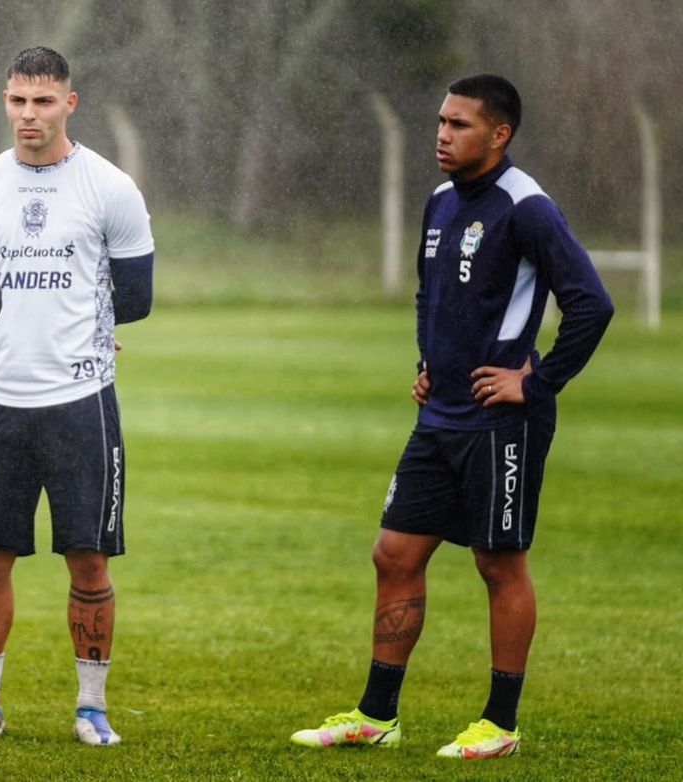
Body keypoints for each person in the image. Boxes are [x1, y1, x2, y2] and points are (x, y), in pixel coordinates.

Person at [290, 74, 613, 759]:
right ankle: (377, 716)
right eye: (440, 121)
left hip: (501, 424)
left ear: (500, 135)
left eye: (460, 124)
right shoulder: (439, 203)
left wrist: (539, 381)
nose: (442, 134)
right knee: (394, 554)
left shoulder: (526, 207)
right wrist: (425, 364)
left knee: (499, 564)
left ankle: (500, 724)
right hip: (439, 417)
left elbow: (591, 303)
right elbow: (427, 295)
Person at [0, 47, 155, 748]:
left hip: (81, 402)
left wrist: (93, 330)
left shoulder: (109, 188)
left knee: (89, 559)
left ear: (70, 102)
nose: (28, 115)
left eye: (43, 101)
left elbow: (135, 299)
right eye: (17, 101)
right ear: (4, 101)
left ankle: (92, 706)